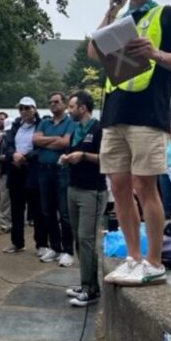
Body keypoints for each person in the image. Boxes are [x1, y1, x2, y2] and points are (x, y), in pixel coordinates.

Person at [86, 0, 171, 286]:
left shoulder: (167, 14)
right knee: (118, 187)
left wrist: (156, 53)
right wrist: (111, 9)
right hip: (114, 114)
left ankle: (155, 261)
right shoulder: (119, 19)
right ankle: (133, 258)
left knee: (144, 186)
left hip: (148, 113)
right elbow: (93, 52)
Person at [60, 91, 107, 307]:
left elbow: (107, 159)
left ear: (83, 108)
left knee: (87, 239)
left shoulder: (98, 129)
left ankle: (91, 289)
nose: (69, 110)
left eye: (71, 106)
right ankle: (86, 283)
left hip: (92, 191)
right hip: (74, 187)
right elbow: (73, 153)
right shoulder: (76, 130)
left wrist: (84, 156)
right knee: (79, 239)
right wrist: (67, 157)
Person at [33, 91, 76, 266]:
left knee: (64, 213)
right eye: (50, 102)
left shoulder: (70, 122)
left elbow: (66, 143)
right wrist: (55, 139)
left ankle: (68, 250)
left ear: (64, 104)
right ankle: (55, 247)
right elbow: (35, 141)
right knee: (47, 210)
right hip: (43, 170)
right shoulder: (44, 121)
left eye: (56, 102)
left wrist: (46, 140)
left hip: (61, 171)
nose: (52, 105)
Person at [0, 97, 44, 255]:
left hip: (32, 170)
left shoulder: (41, 125)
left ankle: (41, 244)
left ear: (34, 108)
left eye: (27, 108)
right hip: (16, 170)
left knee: (37, 209)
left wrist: (26, 156)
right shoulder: (16, 125)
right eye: (21, 108)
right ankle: (17, 242)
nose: (24, 111)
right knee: (16, 209)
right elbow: (8, 145)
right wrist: (14, 155)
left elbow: (42, 148)